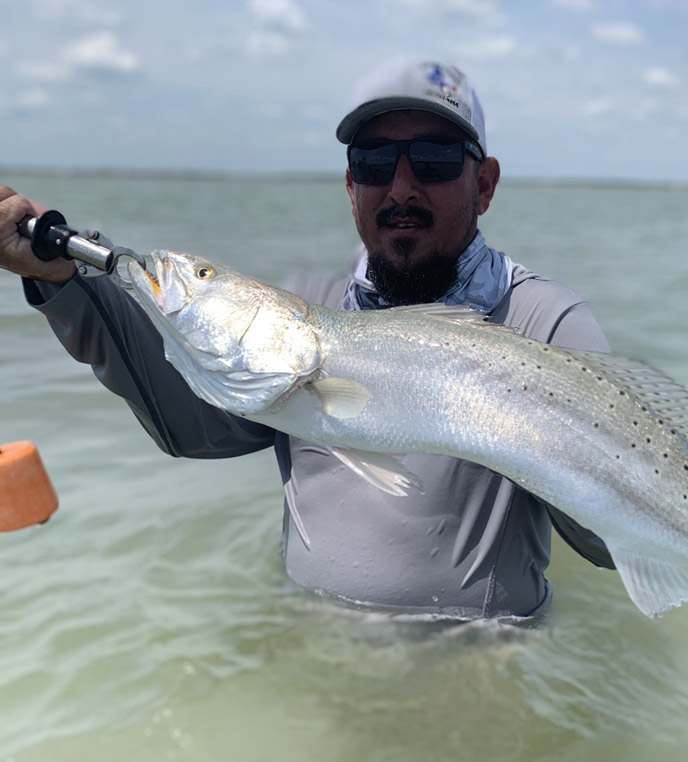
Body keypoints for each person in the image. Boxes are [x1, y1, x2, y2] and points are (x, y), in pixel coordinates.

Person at [0, 59, 614, 620]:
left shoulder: (543, 322)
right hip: (317, 657)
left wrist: (544, 445)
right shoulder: (307, 308)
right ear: (351, 187)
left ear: (484, 184)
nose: (401, 188)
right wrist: (62, 280)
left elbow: (611, 547)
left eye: (434, 159)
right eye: (374, 163)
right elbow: (190, 429)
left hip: (479, 670)